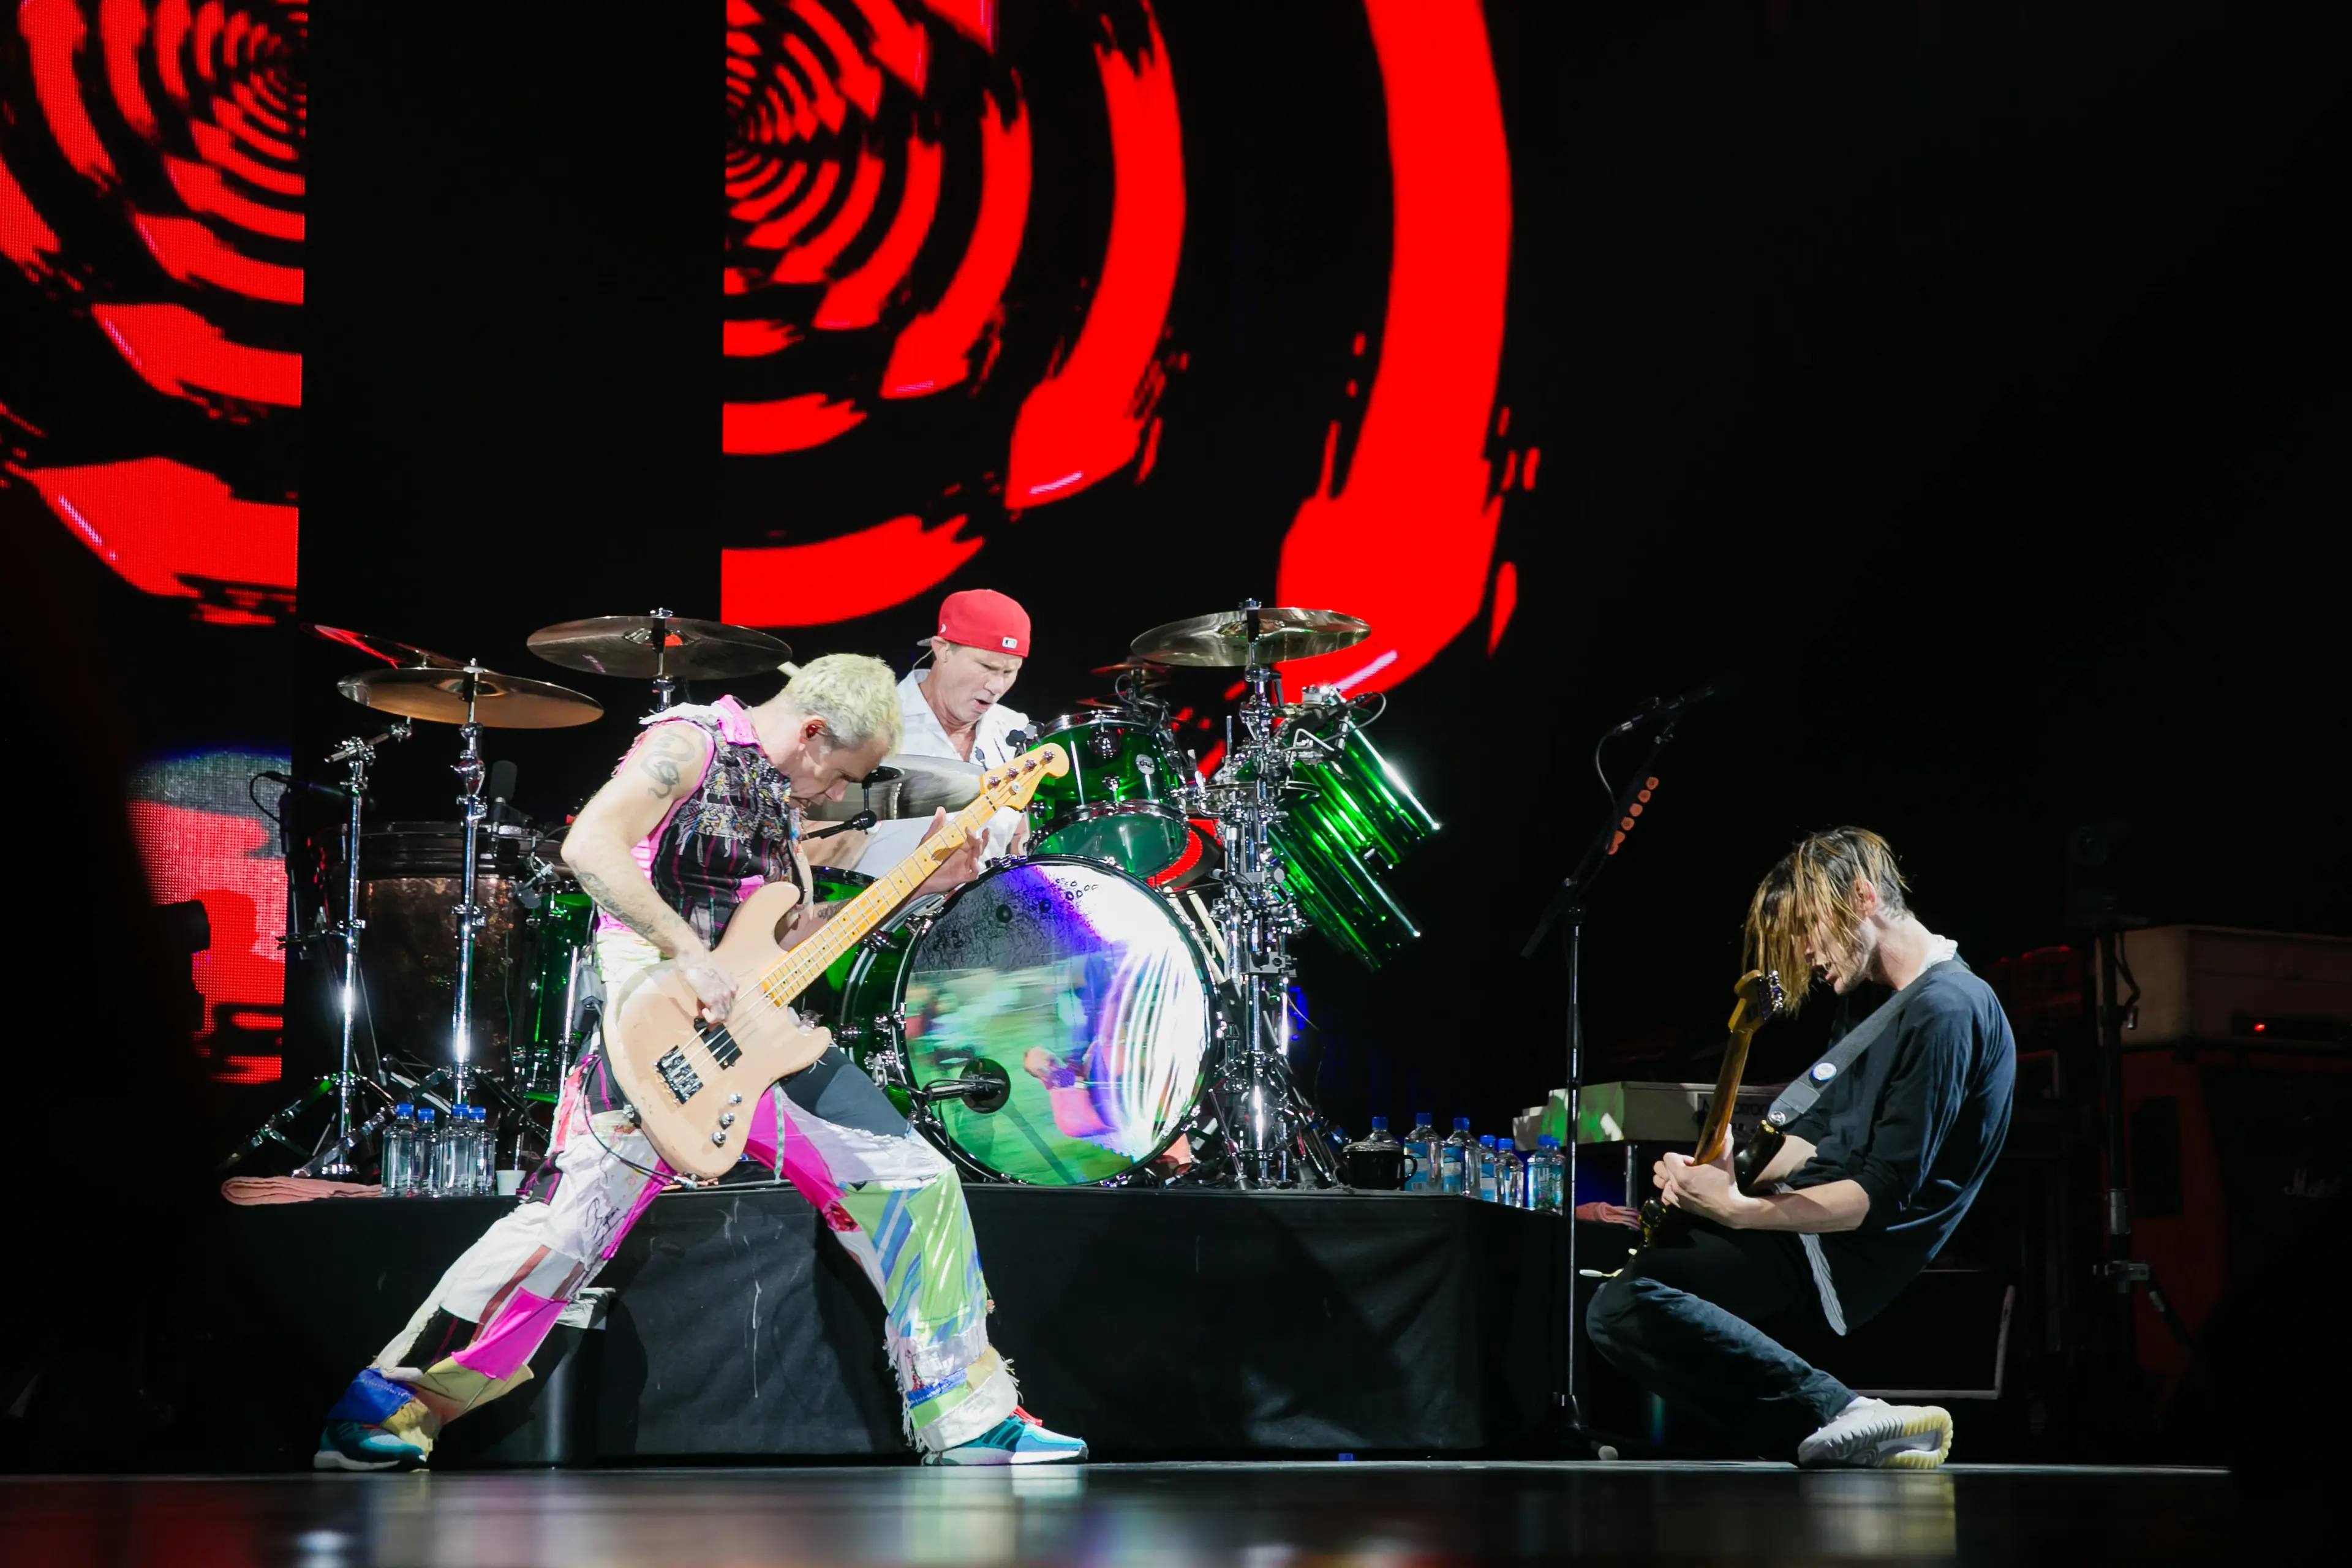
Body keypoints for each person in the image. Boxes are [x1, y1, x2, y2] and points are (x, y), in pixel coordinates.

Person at [315, 654, 1088, 1469]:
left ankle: (966, 1416)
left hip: (758, 1034)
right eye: (841, 774)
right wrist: (687, 951)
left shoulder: (777, 799)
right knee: (566, 1229)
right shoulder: (690, 741)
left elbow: (788, 939)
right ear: (813, 731)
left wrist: (917, 884)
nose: (836, 792)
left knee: (913, 1181)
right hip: (659, 1032)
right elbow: (591, 846)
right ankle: (390, 1405)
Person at [1585, 827, 2015, 1469]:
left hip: (1843, 1252)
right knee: (1611, 1284)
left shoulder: (1949, 1010)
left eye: (1809, 928)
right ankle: (1812, 1437)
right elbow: (1816, 1138)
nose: (1805, 952)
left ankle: (1843, 1412)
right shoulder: (1873, 1002)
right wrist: (1727, 1173)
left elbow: (1876, 1195)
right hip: (1808, 1220)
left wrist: (1738, 1211)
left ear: (1864, 897)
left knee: (1627, 1305)